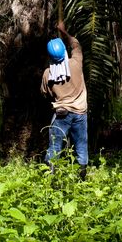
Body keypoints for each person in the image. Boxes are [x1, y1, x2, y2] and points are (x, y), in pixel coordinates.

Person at [42, 20, 88, 178]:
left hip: (61, 114)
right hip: (80, 113)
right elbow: (76, 46)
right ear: (64, 52)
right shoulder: (76, 63)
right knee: (81, 146)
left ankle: (50, 179)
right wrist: (64, 32)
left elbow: (45, 93)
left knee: (54, 147)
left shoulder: (48, 74)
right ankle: (81, 178)